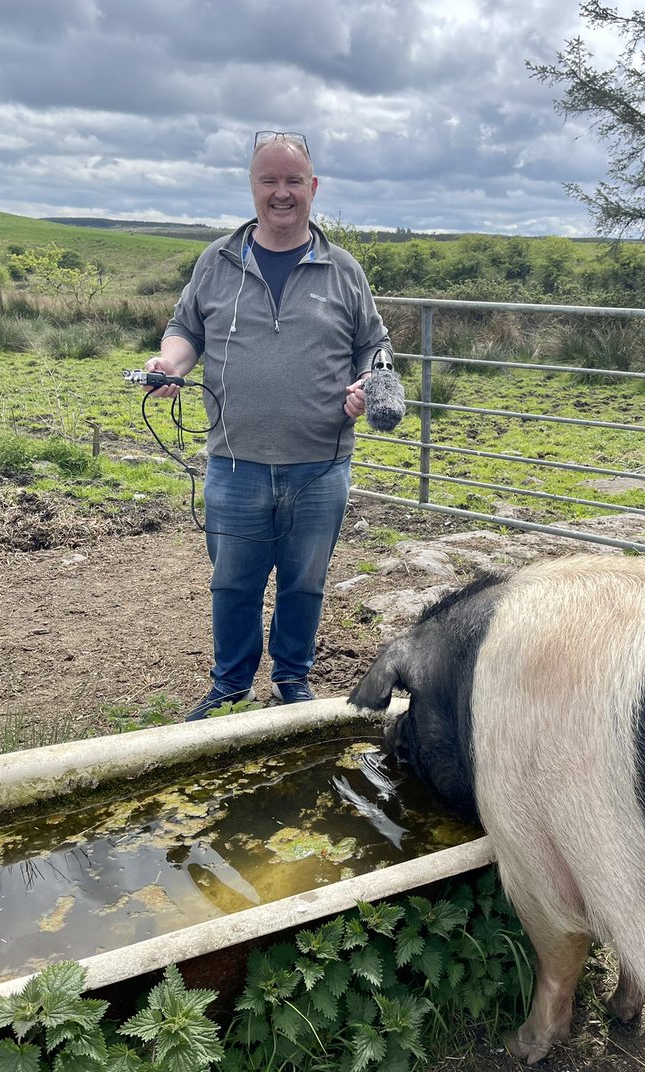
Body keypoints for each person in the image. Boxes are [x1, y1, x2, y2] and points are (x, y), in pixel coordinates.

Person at [145, 131, 391, 719]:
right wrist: (169, 365)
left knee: (304, 583)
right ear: (253, 186)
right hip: (235, 461)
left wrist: (369, 384)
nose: (281, 193)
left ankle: (290, 680)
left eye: (292, 182)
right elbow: (186, 331)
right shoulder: (217, 261)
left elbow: (373, 345)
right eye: (268, 181)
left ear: (313, 187)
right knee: (232, 584)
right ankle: (230, 685)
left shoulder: (343, 270)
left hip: (320, 464)